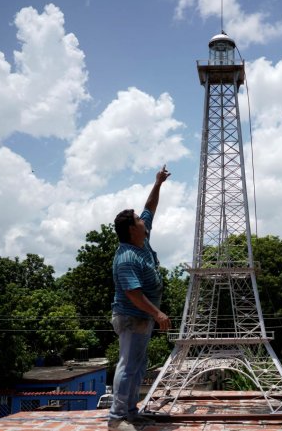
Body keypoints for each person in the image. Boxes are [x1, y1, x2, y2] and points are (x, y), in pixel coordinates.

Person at [108, 165, 172, 431]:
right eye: (138, 220)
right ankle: (116, 418)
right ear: (132, 229)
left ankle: (131, 413)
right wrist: (157, 313)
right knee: (127, 365)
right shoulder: (126, 258)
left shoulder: (141, 240)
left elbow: (149, 207)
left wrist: (158, 183)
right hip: (132, 317)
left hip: (142, 317)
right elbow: (133, 294)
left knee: (137, 365)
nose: (143, 220)